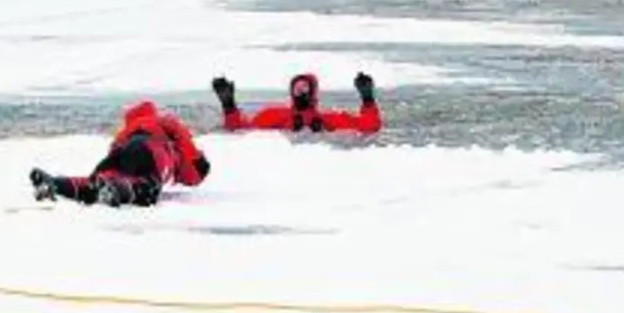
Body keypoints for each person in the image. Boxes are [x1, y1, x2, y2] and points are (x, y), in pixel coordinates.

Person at [30, 100, 211, 207]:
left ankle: (54, 184)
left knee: (95, 183)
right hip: (153, 149)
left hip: (123, 149)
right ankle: (116, 189)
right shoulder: (165, 122)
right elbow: (191, 167)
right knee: (148, 188)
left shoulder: (125, 131)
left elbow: (116, 154)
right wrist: (198, 161)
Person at [211, 71, 381, 134]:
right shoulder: (275, 115)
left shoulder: (327, 119)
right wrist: (229, 105)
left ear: (313, 92)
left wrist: (368, 99)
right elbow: (240, 128)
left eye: (304, 88)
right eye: (297, 88)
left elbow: (370, 126)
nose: (300, 92)